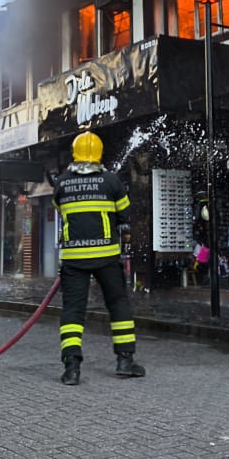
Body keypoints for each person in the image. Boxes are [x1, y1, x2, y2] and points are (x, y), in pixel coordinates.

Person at [53, 130, 145, 385]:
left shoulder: (61, 183)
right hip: (106, 256)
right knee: (118, 304)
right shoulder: (111, 181)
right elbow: (125, 214)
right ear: (99, 154)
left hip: (73, 259)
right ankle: (125, 361)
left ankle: (72, 368)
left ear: (75, 153)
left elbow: (61, 210)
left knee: (73, 311)